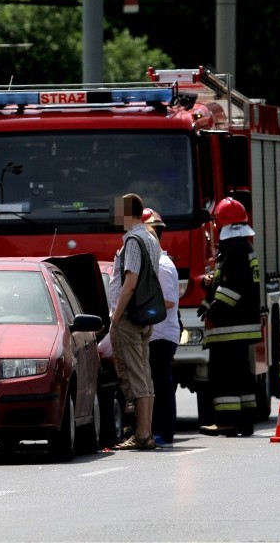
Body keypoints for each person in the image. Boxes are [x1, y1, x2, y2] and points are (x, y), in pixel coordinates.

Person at [198, 197, 262, 437]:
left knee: (223, 374)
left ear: (220, 223)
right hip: (243, 324)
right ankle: (245, 422)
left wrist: (212, 311)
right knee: (242, 375)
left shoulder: (233, 250)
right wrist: (208, 293)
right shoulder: (244, 248)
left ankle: (225, 420)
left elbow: (230, 290)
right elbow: (228, 283)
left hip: (229, 326)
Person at [108, 193, 161, 450]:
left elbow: (130, 282)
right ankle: (146, 432)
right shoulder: (151, 238)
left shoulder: (133, 239)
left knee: (137, 376)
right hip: (145, 315)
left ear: (127, 213)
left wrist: (115, 319)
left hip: (129, 317)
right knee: (145, 375)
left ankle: (142, 435)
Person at [143, 208, 180, 448]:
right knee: (155, 383)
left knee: (161, 384)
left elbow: (166, 301)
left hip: (161, 334)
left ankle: (164, 432)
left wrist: (138, 311)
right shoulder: (154, 263)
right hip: (155, 334)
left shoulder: (162, 265)